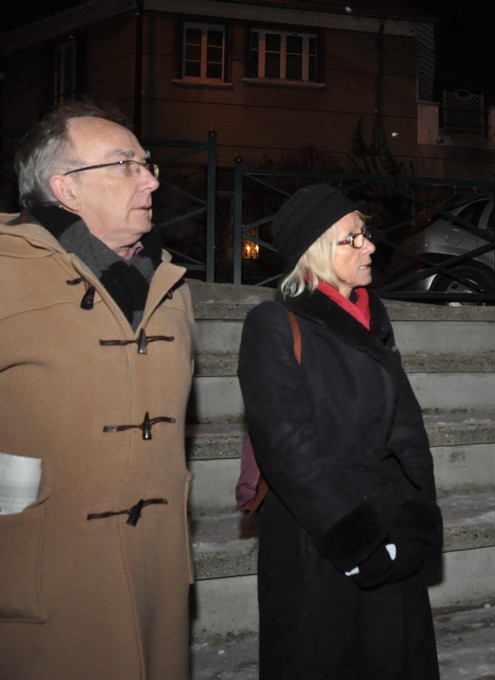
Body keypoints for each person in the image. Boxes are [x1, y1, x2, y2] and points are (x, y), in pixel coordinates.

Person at [0, 102, 194, 679]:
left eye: (146, 163)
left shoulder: (170, 283)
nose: (151, 179)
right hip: (46, 586)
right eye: (124, 164)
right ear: (66, 189)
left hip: (155, 580)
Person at [237, 183, 443, 679]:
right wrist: (357, 542)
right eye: (354, 237)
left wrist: (417, 520)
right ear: (316, 251)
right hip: (321, 538)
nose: (370, 246)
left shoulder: (374, 317)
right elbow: (287, 447)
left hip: (389, 518)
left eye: (365, 234)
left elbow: (407, 427)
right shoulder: (273, 323)